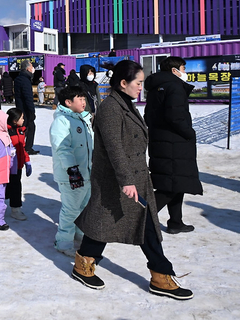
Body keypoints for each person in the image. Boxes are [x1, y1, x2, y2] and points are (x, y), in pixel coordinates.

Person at [73, 60, 193, 300]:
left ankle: (84, 262)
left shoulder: (125, 103)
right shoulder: (111, 109)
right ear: (123, 83)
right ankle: (160, 274)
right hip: (118, 180)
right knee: (133, 224)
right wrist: (127, 180)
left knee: (111, 223)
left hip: (133, 175)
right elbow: (114, 148)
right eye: (138, 83)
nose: (141, 87)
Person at [144, 56, 202, 234]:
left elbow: (150, 115)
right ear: (174, 70)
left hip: (162, 141)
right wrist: (189, 133)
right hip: (174, 143)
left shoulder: (157, 87)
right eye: (183, 69)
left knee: (177, 183)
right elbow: (175, 117)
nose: (185, 73)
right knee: (168, 187)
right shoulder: (174, 87)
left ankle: (175, 221)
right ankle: (140, 220)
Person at [49, 86, 93, 257]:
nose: (83, 102)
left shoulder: (83, 119)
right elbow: (62, 149)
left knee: (84, 207)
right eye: (79, 98)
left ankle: (81, 235)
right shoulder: (62, 121)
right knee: (71, 209)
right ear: (68, 103)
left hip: (87, 172)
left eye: (84, 98)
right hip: (71, 175)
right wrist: (73, 171)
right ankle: (63, 241)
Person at [6, 108, 32, 221]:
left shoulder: (21, 130)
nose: (23, 119)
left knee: (16, 186)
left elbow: (23, 148)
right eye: (21, 118)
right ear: (15, 120)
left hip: (18, 166)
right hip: (8, 166)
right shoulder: (6, 132)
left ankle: (15, 209)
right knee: (5, 187)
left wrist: (27, 161)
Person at [14, 59, 38, 155]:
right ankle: (26, 147)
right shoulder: (24, 80)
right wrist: (31, 111)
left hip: (20, 107)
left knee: (25, 127)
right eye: (32, 66)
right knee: (29, 127)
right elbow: (28, 96)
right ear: (28, 68)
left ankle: (23, 146)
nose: (33, 68)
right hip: (25, 109)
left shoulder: (20, 78)